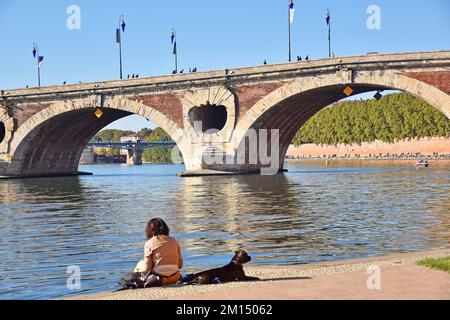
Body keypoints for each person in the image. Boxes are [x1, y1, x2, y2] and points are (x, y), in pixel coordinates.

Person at [133, 218, 184, 287]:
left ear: (149, 231)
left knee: (140, 263)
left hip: (159, 279)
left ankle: (141, 281)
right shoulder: (174, 241)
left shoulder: (149, 243)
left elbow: (147, 268)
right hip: (175, 277)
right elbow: (180, 265)